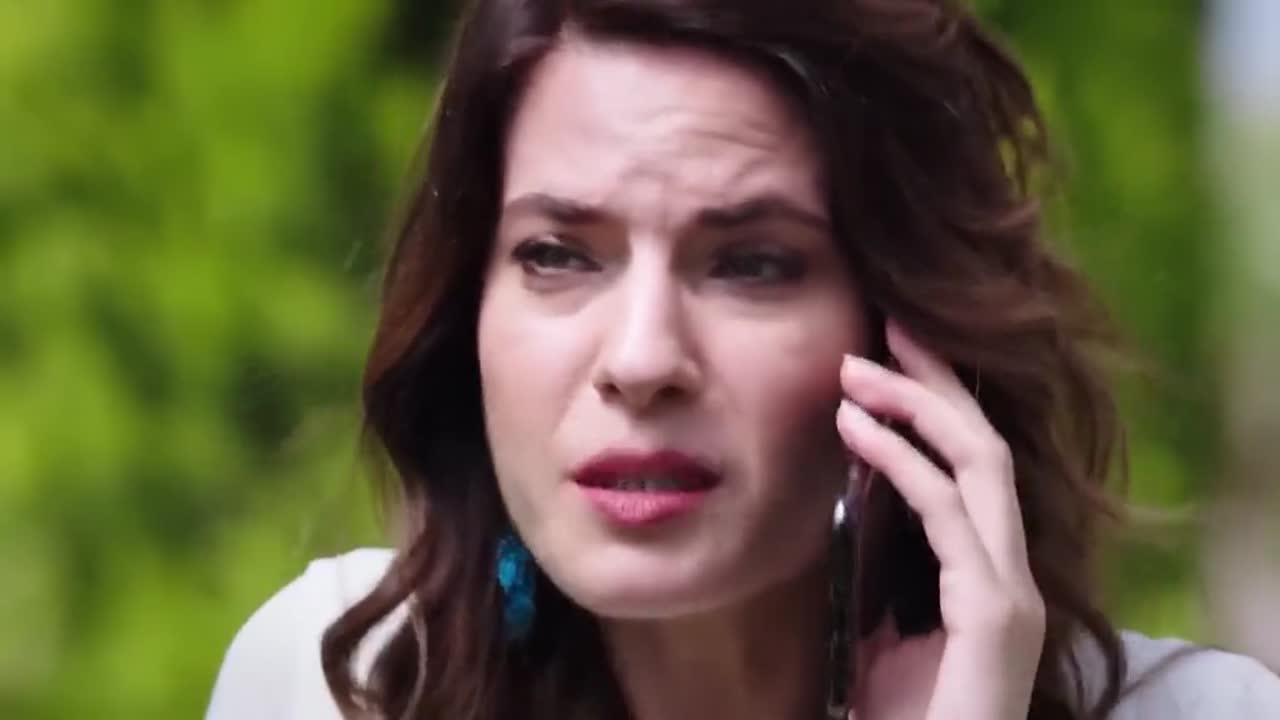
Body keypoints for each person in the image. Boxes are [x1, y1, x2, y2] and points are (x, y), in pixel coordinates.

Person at [207, 1, 1280, 718]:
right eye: (556, 254)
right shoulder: (332, 684)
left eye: (752, 264)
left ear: (906, 327)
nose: (641, 360)